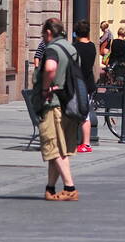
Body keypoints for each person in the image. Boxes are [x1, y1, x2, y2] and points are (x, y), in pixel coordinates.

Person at [34, 18, 80, 201]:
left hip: (52, 104)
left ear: (48, 32)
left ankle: (70, 187)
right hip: (69, 103)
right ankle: (50, 188)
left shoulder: (52, 49)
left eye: (43, 34)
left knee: (53, 146)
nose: (43, 38)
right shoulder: (71, 48)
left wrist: (45, 88)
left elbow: (51, 68)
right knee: (59, 148)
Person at [74, 20, 97, 154]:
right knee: (85, 113)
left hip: (77, 83)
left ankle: (79, 142)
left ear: (76, 33)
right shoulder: (92, 46)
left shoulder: (75, 47)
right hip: (88, 83)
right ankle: (85, 143)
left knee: (76, 113)